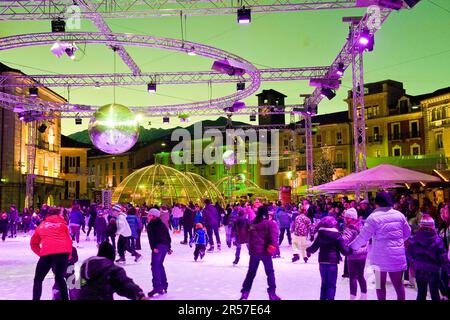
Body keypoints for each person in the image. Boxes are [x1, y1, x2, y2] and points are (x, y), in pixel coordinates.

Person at [349, 192, 411, 300]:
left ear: (377, 203)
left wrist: (351, 247)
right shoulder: (399, 215)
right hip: (397, 256)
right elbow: (407, 233)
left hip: (378, 258)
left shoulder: (373, 217)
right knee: (398, 284)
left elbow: (363, 237)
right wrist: (398, 242)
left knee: (379, 285)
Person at [76, 242, 146, 300]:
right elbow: (123, 284)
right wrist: (138, 294)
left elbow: (80, 284)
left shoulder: (86, 266)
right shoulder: (112, 269)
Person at [30, 207, 73, 300]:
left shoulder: (42, 225)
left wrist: (41, 253)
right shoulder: (63, 225)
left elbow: (33, 243)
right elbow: (69, 241)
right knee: (60, 278)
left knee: (38, 279)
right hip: (63, 253)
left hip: (48, 254)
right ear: (59, 215)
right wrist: (68, 255)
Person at [240, 205, 281, 300]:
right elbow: (274, 238)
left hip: (255, 252)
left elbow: (248, 237)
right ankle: (272, 293)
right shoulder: (270, 224)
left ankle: (245, 293)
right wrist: (272, 249)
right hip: (266, 252)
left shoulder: (252, 223)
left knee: (251, 273)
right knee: (270, 272)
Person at [306, 216, 352, 300]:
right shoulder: (337, 235)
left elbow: (314, 247)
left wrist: (308, 250)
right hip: (332, 262)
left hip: (322, 261)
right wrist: (351, 250)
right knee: (331, 285)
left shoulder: (320, 234)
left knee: (324, 284)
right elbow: (344, 250)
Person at [407, 214, 448, 300]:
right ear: (433, 226)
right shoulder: (438, 241)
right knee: (435, 294)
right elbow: (443, 258)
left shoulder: (414, 239)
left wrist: (412, 263)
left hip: (419, 270)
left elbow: (409, 253)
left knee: (421, 294)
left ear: (420, 225)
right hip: (433, 271)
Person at [341, 208, 368, 300]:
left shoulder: (350, 228)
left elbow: (344, 240)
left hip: (353, 255)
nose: (344, 219)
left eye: (346, 217)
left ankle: (352, 297)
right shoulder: (362, 226)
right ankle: (364, 296)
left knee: (353, 277)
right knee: (360, 275)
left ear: (350, 218)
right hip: (363, 254)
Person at [147, 208, 172, 297]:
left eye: (149, 215)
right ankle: (164, 285)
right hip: (164, 246)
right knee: (159, 265)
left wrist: (153, 247)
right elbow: (167, 236)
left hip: (158, 247)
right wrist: (168, 247)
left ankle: (157, 287)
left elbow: (151, 237)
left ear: (153, 216)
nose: (148, 216)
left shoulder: (151, 225)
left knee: (155, 266)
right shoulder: (162, 224)